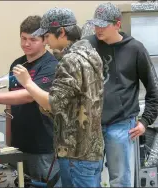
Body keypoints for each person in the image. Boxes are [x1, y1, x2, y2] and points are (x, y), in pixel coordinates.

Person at [12, 7, 104, 188]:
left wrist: (28, 83)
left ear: (61, 32)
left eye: (47, 36)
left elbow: (53, 104)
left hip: (75, 153)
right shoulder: (92, 53)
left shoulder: (70, 61)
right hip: (92, 150)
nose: (45, 41)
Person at [85, 2, 158, 187]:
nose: (98, 29)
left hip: (121, 124)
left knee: (120, 180)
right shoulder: (88, 45)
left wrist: (145, 121)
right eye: (96, 24)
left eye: (104, 25)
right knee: (89, 179)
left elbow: (154, 89)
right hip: (90, 124)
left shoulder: (135, 49)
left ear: (118, 24)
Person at [0, 15, 61, 186]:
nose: (26, 44)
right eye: (23, 38)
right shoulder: (17, 64)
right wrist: (8, 142)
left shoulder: (51, 66)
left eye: (33, 39)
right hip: (18, 145)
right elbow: (11, 104)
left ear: (45, 40)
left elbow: (29, 96)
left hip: (42, 146)